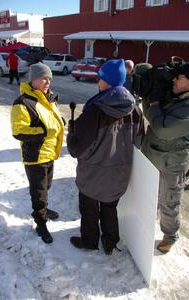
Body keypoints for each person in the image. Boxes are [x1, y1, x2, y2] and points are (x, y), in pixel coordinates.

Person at [67, 59, 144, 255]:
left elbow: (76, 150)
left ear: (107, 81)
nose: (97, 83)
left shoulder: (95, 110)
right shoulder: (135, 109)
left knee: (89, 209)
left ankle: (89, 241)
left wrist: (71, 134)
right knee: (110, 209)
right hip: (119, 174)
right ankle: (110, 243)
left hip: (93, 174)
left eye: (99, 78)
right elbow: (138, 141)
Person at [10, 62, 64, 243]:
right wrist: (44, 132)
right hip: (35, 156)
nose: (47, 81)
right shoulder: (23, 103)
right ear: (33, 80)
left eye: (49, 78)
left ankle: (44, 210)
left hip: (49, 153)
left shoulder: (48, 99)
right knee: (38, 192)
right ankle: (40, 222)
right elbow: (19, 131)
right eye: (43, 78)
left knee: (46, 186)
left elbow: (51, 120)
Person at [141, 63, 189, 253]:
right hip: (153, 156)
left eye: (179, 78)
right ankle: (144, 226)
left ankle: (170, 236)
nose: (174, 80)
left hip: (172, 164)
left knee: (169, 201)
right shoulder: (173, 97)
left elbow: (163, 129)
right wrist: (151, 96)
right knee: (148, 196)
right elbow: (149, 114)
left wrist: (154, 105)